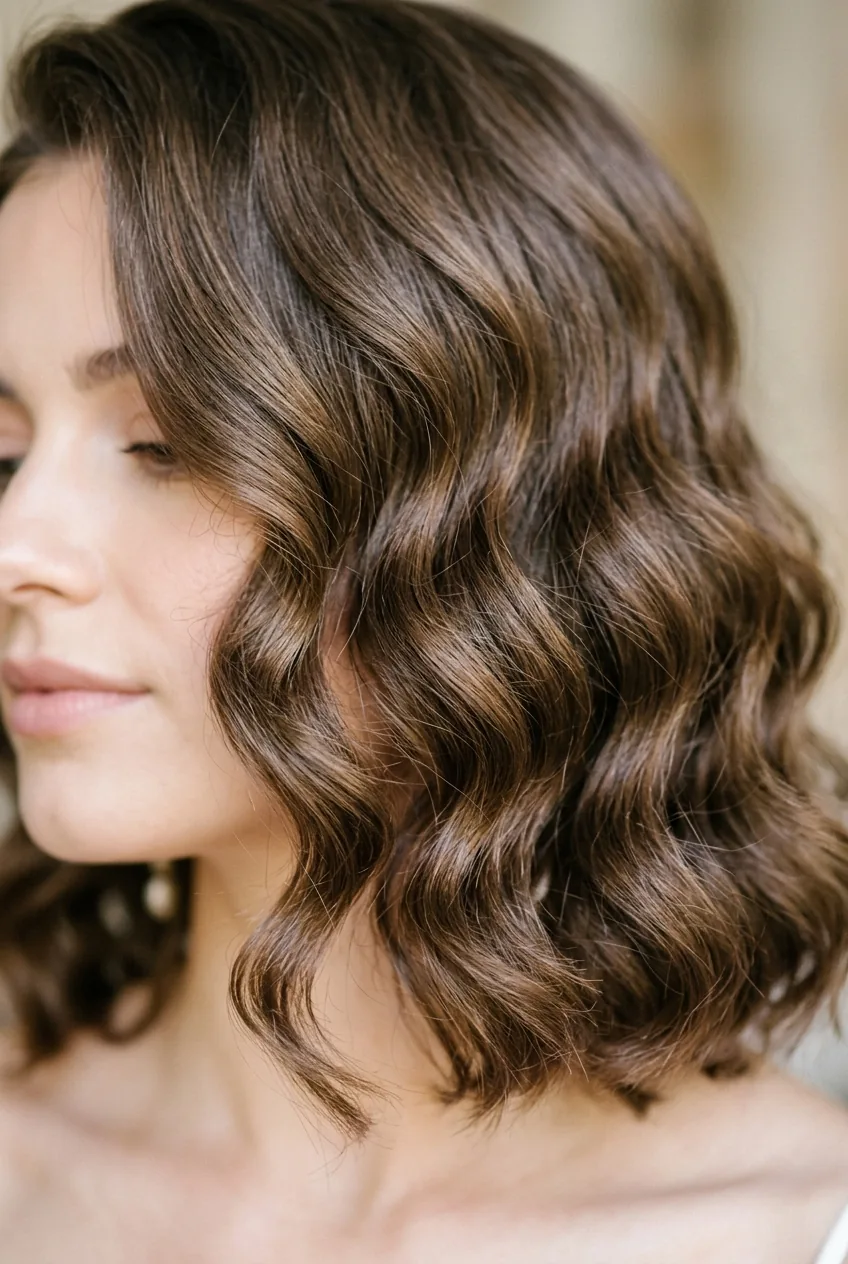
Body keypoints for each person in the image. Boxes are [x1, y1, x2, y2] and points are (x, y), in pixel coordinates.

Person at [0, 1, 847, 1259]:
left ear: (509, 511)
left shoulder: (790, 1228)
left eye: (164, 443)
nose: (18, 547)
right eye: (2, 448)